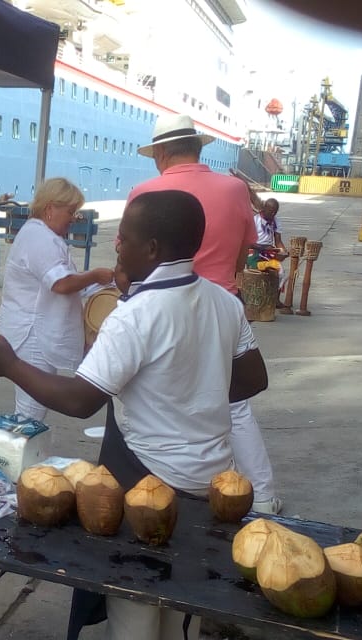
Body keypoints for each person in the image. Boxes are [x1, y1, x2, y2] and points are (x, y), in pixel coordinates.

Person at [0, 190, 268, 640]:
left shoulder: (135, 315)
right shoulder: (224, 302)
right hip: (211, 484)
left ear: (153, 249)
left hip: (148, 486)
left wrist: (9, 365)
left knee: (136, 614)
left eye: (124, 238)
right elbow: (252, 378)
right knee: (182, 609)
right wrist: (190, 391)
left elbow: (81, 399)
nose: (117, 246)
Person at [128, 113, 281, 514]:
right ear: (198, 147)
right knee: (234, 405)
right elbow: (248, 247)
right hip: (222, 305)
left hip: (161, 309)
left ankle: (162, 488)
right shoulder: (234, 188)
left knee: (156, 400)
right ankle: (262, 496)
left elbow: (130, 258)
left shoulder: (145, 192)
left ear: (161, 153)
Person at [0, 177, 114, 420]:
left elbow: (68, 283)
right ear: (50, 209)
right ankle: (23, 454)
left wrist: (95, 284)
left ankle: (26, 452)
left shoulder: (40, 235)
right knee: (30, 412)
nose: (74, 218)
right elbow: (60, 283)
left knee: (31, 409)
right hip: (33, 334)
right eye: (71, 211)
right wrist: (94, 275)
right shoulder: (40, 238)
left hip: (31, 331)